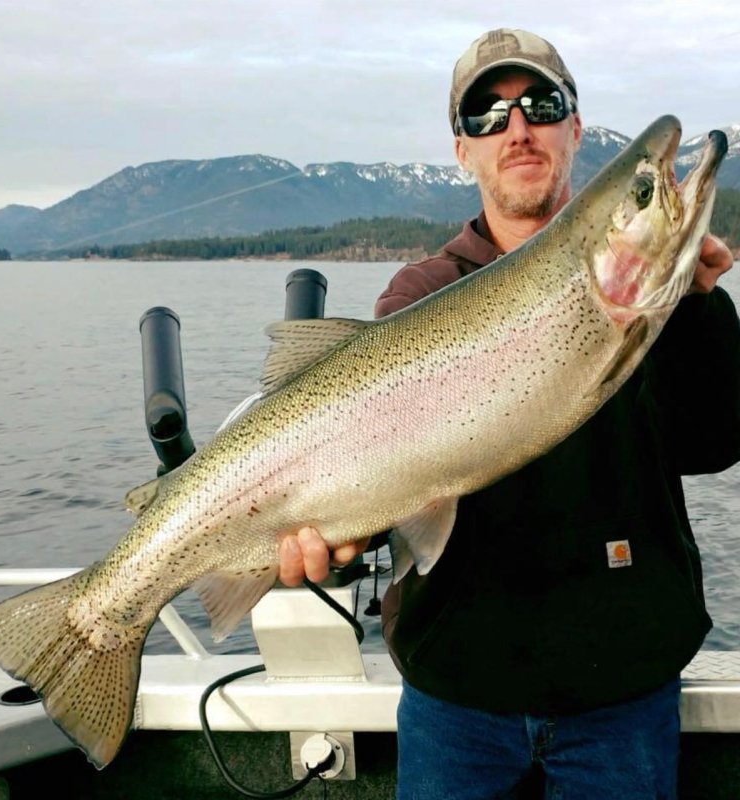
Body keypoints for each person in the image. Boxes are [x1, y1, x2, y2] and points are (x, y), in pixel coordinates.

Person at [279, 28, 740, 799]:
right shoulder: (419, 295)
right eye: (488, 116)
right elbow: (380, 478)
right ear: (462, 151)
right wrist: (336, 535)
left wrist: (696, 305)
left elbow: (715, 441)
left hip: (622, 692)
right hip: (457, 694)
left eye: (541, 104)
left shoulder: (656, 300)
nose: (517, 127)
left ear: (575, 131)